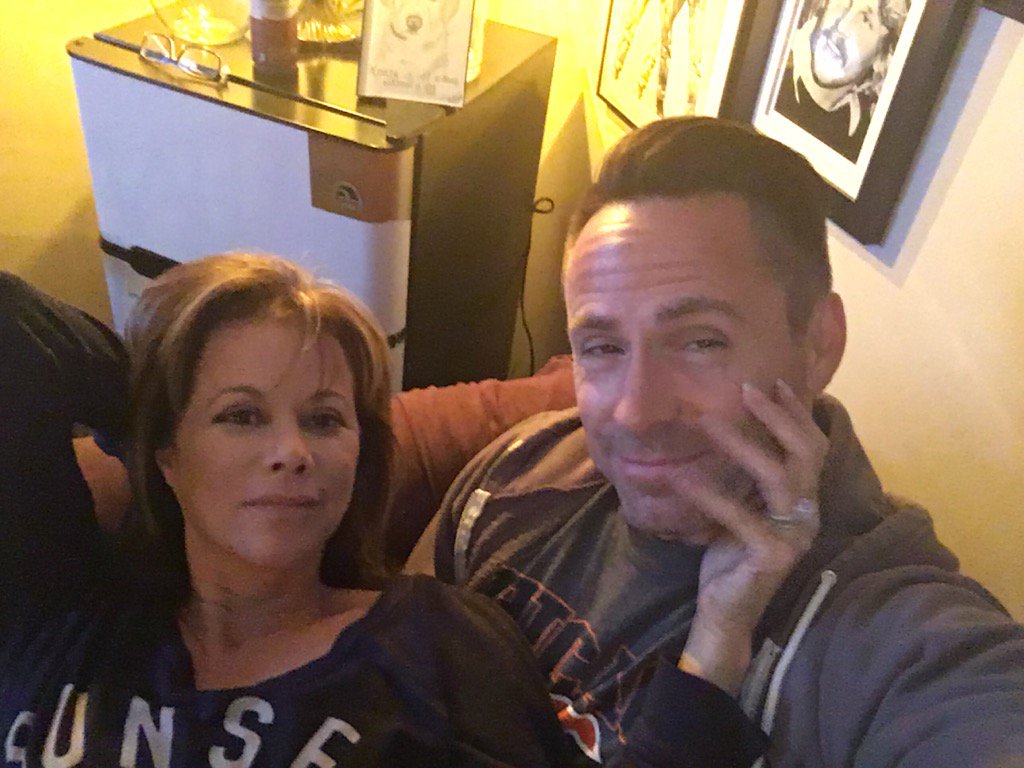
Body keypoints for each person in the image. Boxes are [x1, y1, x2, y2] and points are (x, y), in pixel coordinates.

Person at [406, 117, 1024, 766]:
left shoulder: (892, 644)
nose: (636, 412)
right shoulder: (515, 474)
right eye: (603, 347)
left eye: (701, 342)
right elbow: (379, 671)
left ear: (818, 344)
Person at [0, 255, 766, 766]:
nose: (291, 450)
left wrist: (722, 632)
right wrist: (139, 405)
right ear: (167, 452)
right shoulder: (64, 608)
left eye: (324, 419)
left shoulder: (434, 645)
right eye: (241, 415)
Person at [774, 0, 910, 161]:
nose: (841, 27)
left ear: (882, 57)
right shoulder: (771, 79)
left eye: (865, 20)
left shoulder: (866, 148)